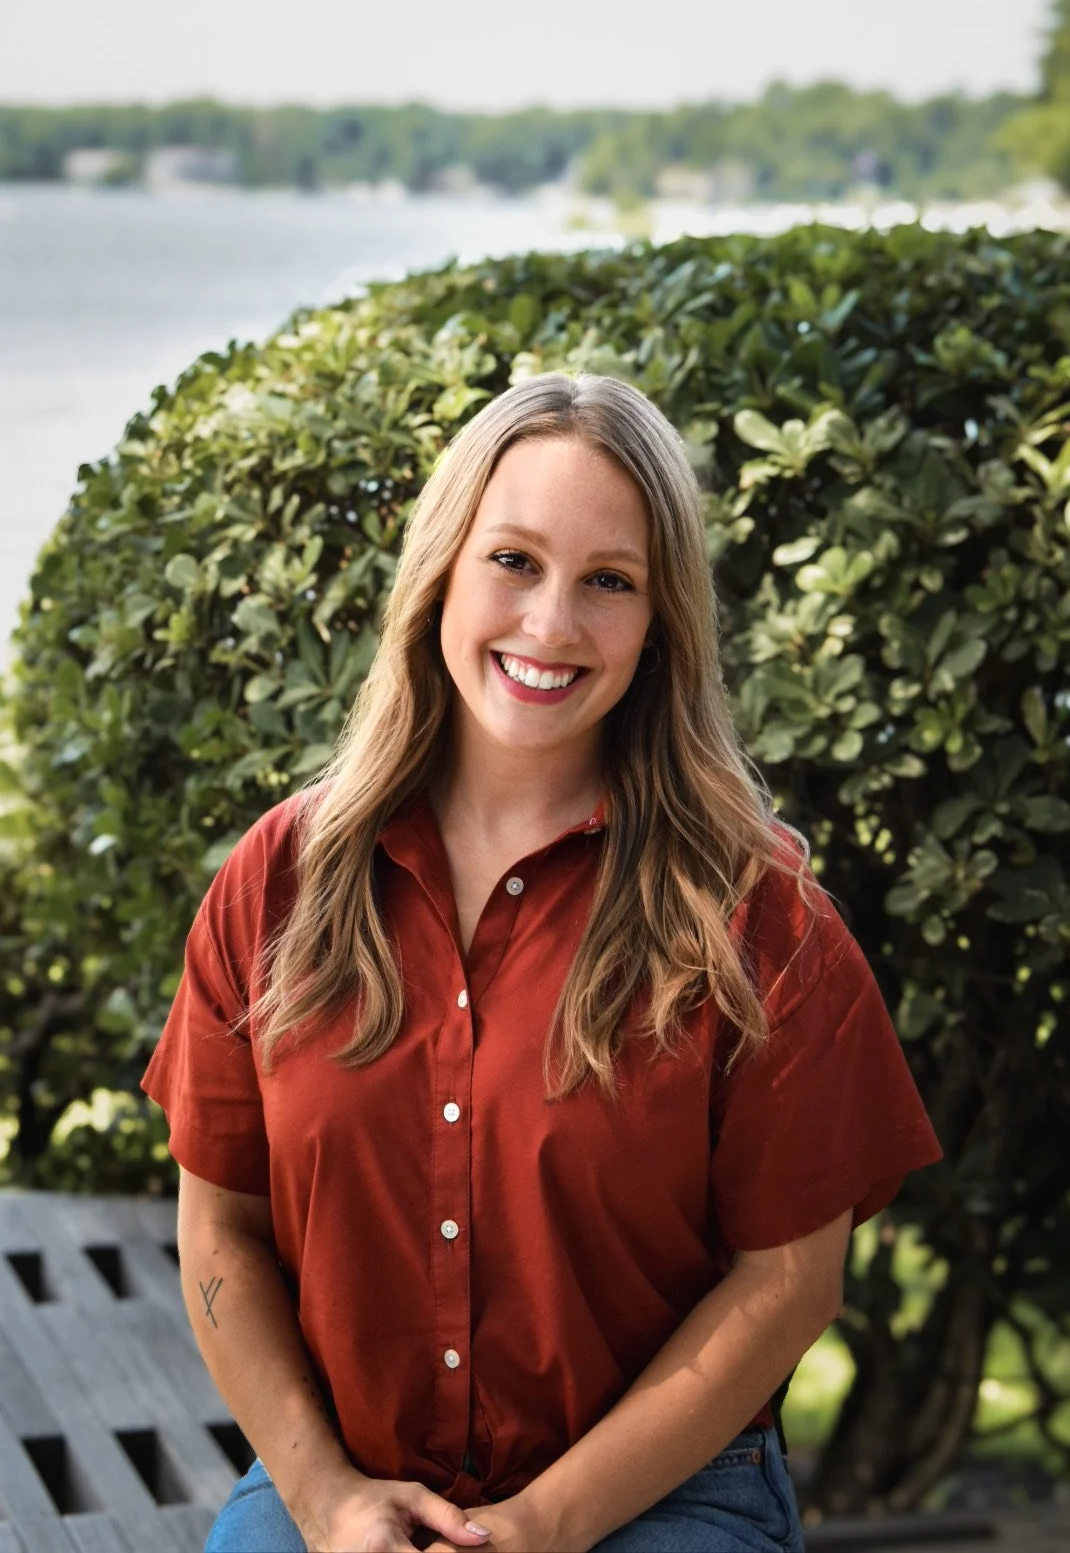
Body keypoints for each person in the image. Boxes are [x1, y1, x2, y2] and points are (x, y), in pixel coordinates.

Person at [141, 372, 941, 1553]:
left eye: (608, 582)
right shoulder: (283, 881)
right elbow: (220, 1232)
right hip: (347, 1485)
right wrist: (325, 1500)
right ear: (442, 574)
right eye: (513, 560)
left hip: (667, 1494)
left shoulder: (761, 926)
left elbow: (788, 1285)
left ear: (661, 624)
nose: (552, 625)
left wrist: (543, 1526)